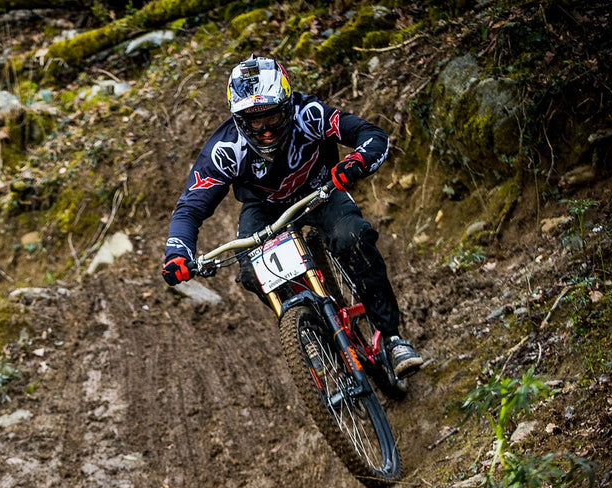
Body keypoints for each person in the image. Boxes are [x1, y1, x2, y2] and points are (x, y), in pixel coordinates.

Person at [161, 56, 423, 377]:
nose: (266, 131)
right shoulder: (225, 150)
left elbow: (371, 135)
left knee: (352, 237)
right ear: (239, 120)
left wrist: (356, 161)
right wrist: (178, 253)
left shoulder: (308, 115)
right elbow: (190, 207)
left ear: (287, 106)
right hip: (264, 208)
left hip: (320, 191)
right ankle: (311, 327)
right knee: (252, 273)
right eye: (255, 122)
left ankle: (393, 339)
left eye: (272, 116)